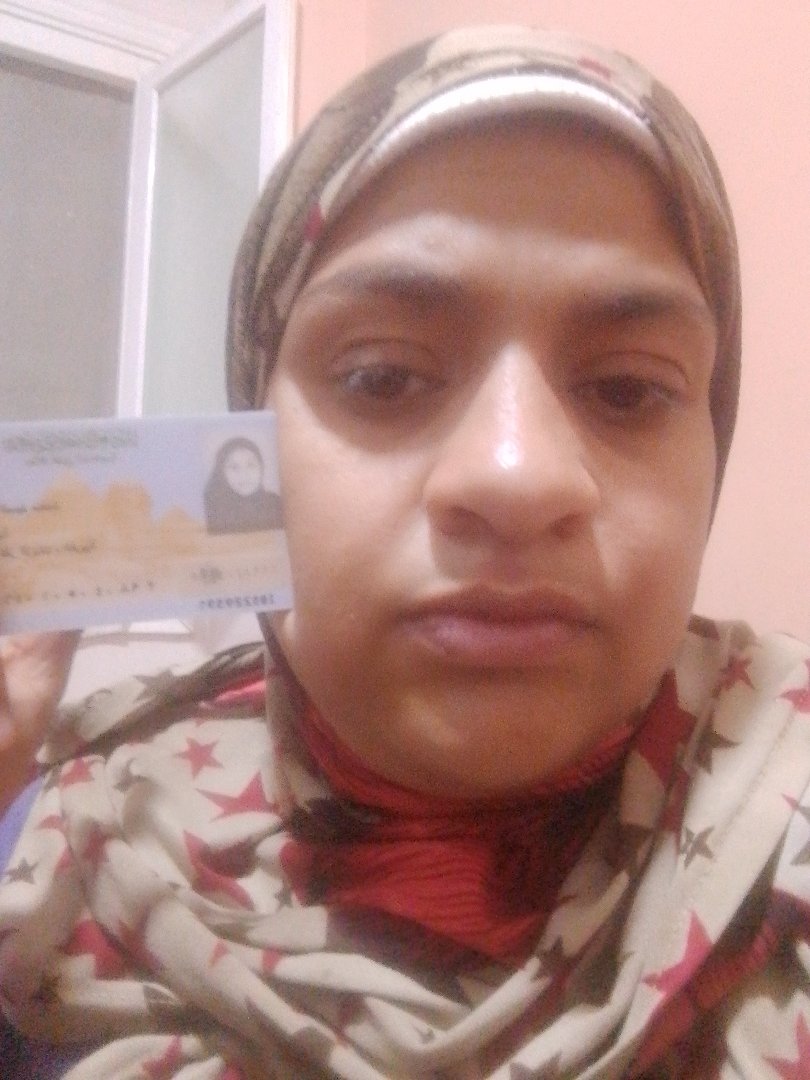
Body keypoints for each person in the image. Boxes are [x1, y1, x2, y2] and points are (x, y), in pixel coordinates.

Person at [1, 24, 809, 1079]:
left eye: (626, 388)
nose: (517, 477)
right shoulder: (43, 835)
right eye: (382, 376)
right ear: (253, 440)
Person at [204, 436, 283, 534]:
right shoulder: (213, 511)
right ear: (221, 473)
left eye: (251, 465)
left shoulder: (275, 504)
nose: (244, 475)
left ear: (261, 468)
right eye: (234, 467)